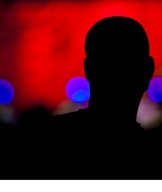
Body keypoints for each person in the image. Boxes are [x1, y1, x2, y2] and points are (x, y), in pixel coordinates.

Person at [45, 16, 155, 178]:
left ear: (88, 69)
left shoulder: (45, 141)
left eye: (124, 63)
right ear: (148, 70)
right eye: (112, 64)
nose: (117, 73)